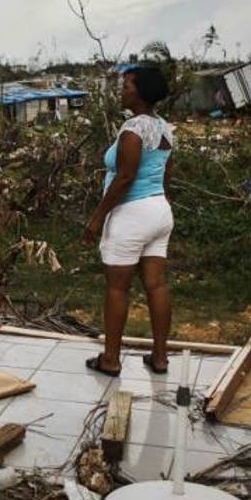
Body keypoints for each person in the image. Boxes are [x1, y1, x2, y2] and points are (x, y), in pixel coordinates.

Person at [82, 65, 174, 376]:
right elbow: (166, 174)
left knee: (117, 288)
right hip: (159, 210)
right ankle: (160, 358)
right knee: (156, 285)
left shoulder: (134, 129)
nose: (122, 90)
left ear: (141, 91)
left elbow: (124, 178)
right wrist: (159, 209)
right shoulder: (165, 128)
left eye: (127, 85)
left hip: (132, 214)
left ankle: (110, 359)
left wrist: (97, 218)